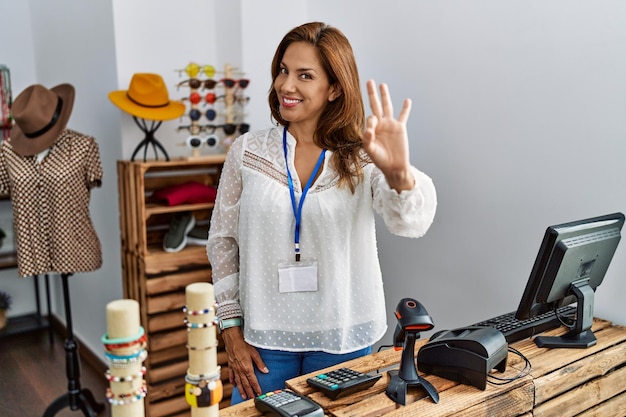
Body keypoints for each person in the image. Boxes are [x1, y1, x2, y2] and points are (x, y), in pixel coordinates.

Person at [207, 21, 437, 405]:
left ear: (333, 88)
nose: (286, 85)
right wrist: (230, 328)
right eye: (283, 70)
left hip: (343, 336)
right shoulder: (247, 152)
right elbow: (223, 241)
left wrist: (400, 175)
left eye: (304, 75)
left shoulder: (364, 153)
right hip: (264, 340)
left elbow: (410, 222)